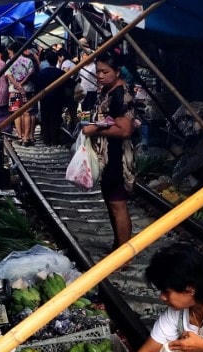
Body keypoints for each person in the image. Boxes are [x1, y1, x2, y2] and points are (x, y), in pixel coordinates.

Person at [82, 48, 136, 249]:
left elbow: (125, 130)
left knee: (117, 203)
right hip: (107, 155)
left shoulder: (121, 94)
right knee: (111, 201)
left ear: (117, 72)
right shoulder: (108, 91)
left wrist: (94, 129)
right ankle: (117, 246)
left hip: (117, 155)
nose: (100, 76)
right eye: (98, 71)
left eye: (105, 72)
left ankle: (124, 254)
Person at [7, 42, 36, 145]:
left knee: (16, 113)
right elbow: (30, 73)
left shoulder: (9, 62)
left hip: (14, 91)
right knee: (27, 113)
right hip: (28, 90)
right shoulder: (28, 61)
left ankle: (20, 136)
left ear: (13, 51)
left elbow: (9, 76)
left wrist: (17, 85)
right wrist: (22, 83)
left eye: (9, 52)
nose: (9, 54)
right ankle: (26, 138)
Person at [35, 48, 65, 146]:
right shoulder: (61, 73)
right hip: (57, 99)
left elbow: (37, 86)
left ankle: (46, 139)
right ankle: (55, 139)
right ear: (57, 60)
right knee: (56, 119)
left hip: (45, 98)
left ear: (47, 61)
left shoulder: (42, 73)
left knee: (45, 118)